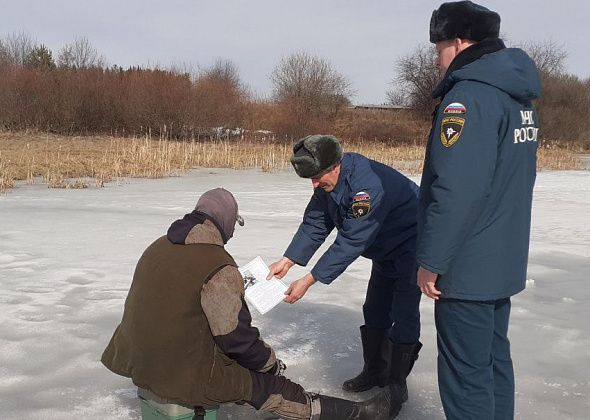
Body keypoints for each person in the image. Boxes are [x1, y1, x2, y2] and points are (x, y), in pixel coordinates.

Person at [101, 188, 393, 420]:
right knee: (270, 388)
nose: (233, 232)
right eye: (233, 225)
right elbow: (235, 339)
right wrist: (269, 365)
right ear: (225, 220)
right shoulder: (217, 265)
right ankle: (361, 414)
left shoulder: (158, 246)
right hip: (183, 374)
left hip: (140, 360)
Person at [416, 2, 541, 419]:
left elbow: (457, 189)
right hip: (502, 257)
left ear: (457, 41)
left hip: (466, 264)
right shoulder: (517, 95)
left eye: (438, 47)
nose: (436, 59)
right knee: (492, 362)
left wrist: (432, 261)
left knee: (465, 374)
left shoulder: (468, 97)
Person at [267, 135, 422, 408]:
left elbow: (351, 240)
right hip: (383, 248)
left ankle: (396, 387)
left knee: (404, 312)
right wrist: (288, 260)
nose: (315, 184)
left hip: (412, 244)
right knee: (375, 308)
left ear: (335, 166)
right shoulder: (328, 184)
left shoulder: (365, 188)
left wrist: (309, 280)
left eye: (317, 177)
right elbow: (316, 223)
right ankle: (375, 370)